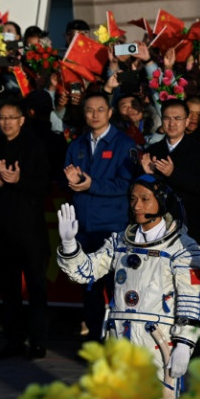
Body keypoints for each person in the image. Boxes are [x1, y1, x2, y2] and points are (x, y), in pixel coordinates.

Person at [56, 174, 200, 399]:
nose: (136, 206)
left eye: (144, 199)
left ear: (161, 203)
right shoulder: (119, 241)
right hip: (121, 344)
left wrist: (185, 344)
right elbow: (84, 272)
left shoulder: (183, 247)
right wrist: (70, 245)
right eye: (133, 199)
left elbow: (194, 299)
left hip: (159, 346)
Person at [0, 100, 50, 359]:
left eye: (12, 117)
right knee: (8, 290)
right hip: (2, 230)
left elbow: (43, 185)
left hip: (30, 231)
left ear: (22, 119)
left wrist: (20, 180)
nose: (6, 122)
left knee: (36, 288)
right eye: (2, 118)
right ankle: (13, 341)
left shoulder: (35, 147)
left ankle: (39, 341)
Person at [64, 92, 136, 341]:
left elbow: (126, 185)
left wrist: (91, 184)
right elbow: (70, 183)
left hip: (113, 229)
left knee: (118, 288)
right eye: (89, 110)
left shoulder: (125, 145)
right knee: (90, 289)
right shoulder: (77, 146)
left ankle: (121, 342)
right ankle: (95, 340)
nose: (94, 115)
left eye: (100, 109)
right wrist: (73, 183)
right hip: (84, 228)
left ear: (110, 112)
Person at [142, 99, 200, 252]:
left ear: (187, 121)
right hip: (158, 227)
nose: (172, 123)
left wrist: (173, 173)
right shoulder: (153, 150)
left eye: (177, 118)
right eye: (167, 118)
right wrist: (148, 176)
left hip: (190, 224)